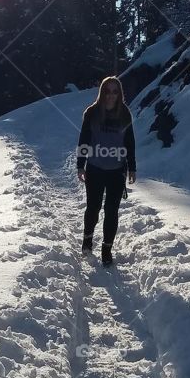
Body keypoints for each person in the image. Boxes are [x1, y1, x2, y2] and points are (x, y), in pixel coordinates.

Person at [76, 76, 136, 266]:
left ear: (119, 94)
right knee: (93, 208)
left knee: (112, 211)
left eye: (115, 91)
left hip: (116, 172)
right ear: (102, 92)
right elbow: (84, 139)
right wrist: (80, 164)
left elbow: (130, 142)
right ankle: (87, 239)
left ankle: (107, 249)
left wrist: (132, 167)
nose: (111, 95)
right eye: (107, 91)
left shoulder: (125, 114)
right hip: (95, 169)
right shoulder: (92, 113)